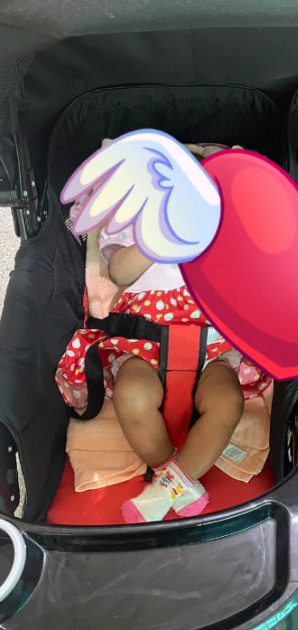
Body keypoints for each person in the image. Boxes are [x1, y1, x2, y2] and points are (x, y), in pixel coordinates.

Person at [55, 221, 271, 523]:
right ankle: (173, 475)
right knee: (131, 395)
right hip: (145, 339)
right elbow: (119, 272)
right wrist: (157, 238)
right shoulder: (133, 215)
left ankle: (168, 487)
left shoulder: (219, 215)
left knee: (227, 401)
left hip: (211, 342)